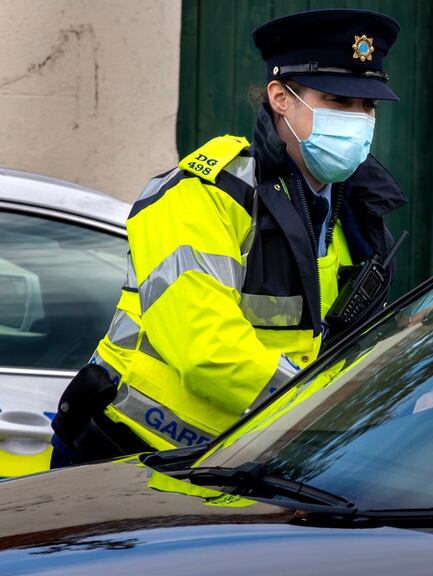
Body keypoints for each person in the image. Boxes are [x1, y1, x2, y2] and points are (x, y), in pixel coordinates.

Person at [50, 9, 407, 466]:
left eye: (368, 106)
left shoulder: (353, 213)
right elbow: (207, 351)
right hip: (124, 456)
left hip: (235, 468)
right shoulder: (204, 194)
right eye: (339, 101)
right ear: (280, 97)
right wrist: (329, 406)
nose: (358, 120)